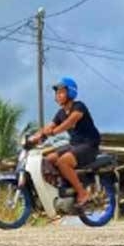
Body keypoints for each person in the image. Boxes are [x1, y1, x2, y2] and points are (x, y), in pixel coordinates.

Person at [31, 77, 101, 208]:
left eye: (61, 92)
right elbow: (49, 126)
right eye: (57, 93)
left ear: (71, 92)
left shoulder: (79, 107)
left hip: (89, 145)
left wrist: (53, 132)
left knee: (63, 162)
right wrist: (36, 136)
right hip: (74, 145)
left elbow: (69, 123)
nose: (58, 95)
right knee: (47, 160)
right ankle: (59, 188)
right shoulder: (60, 113)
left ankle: (82, 192)